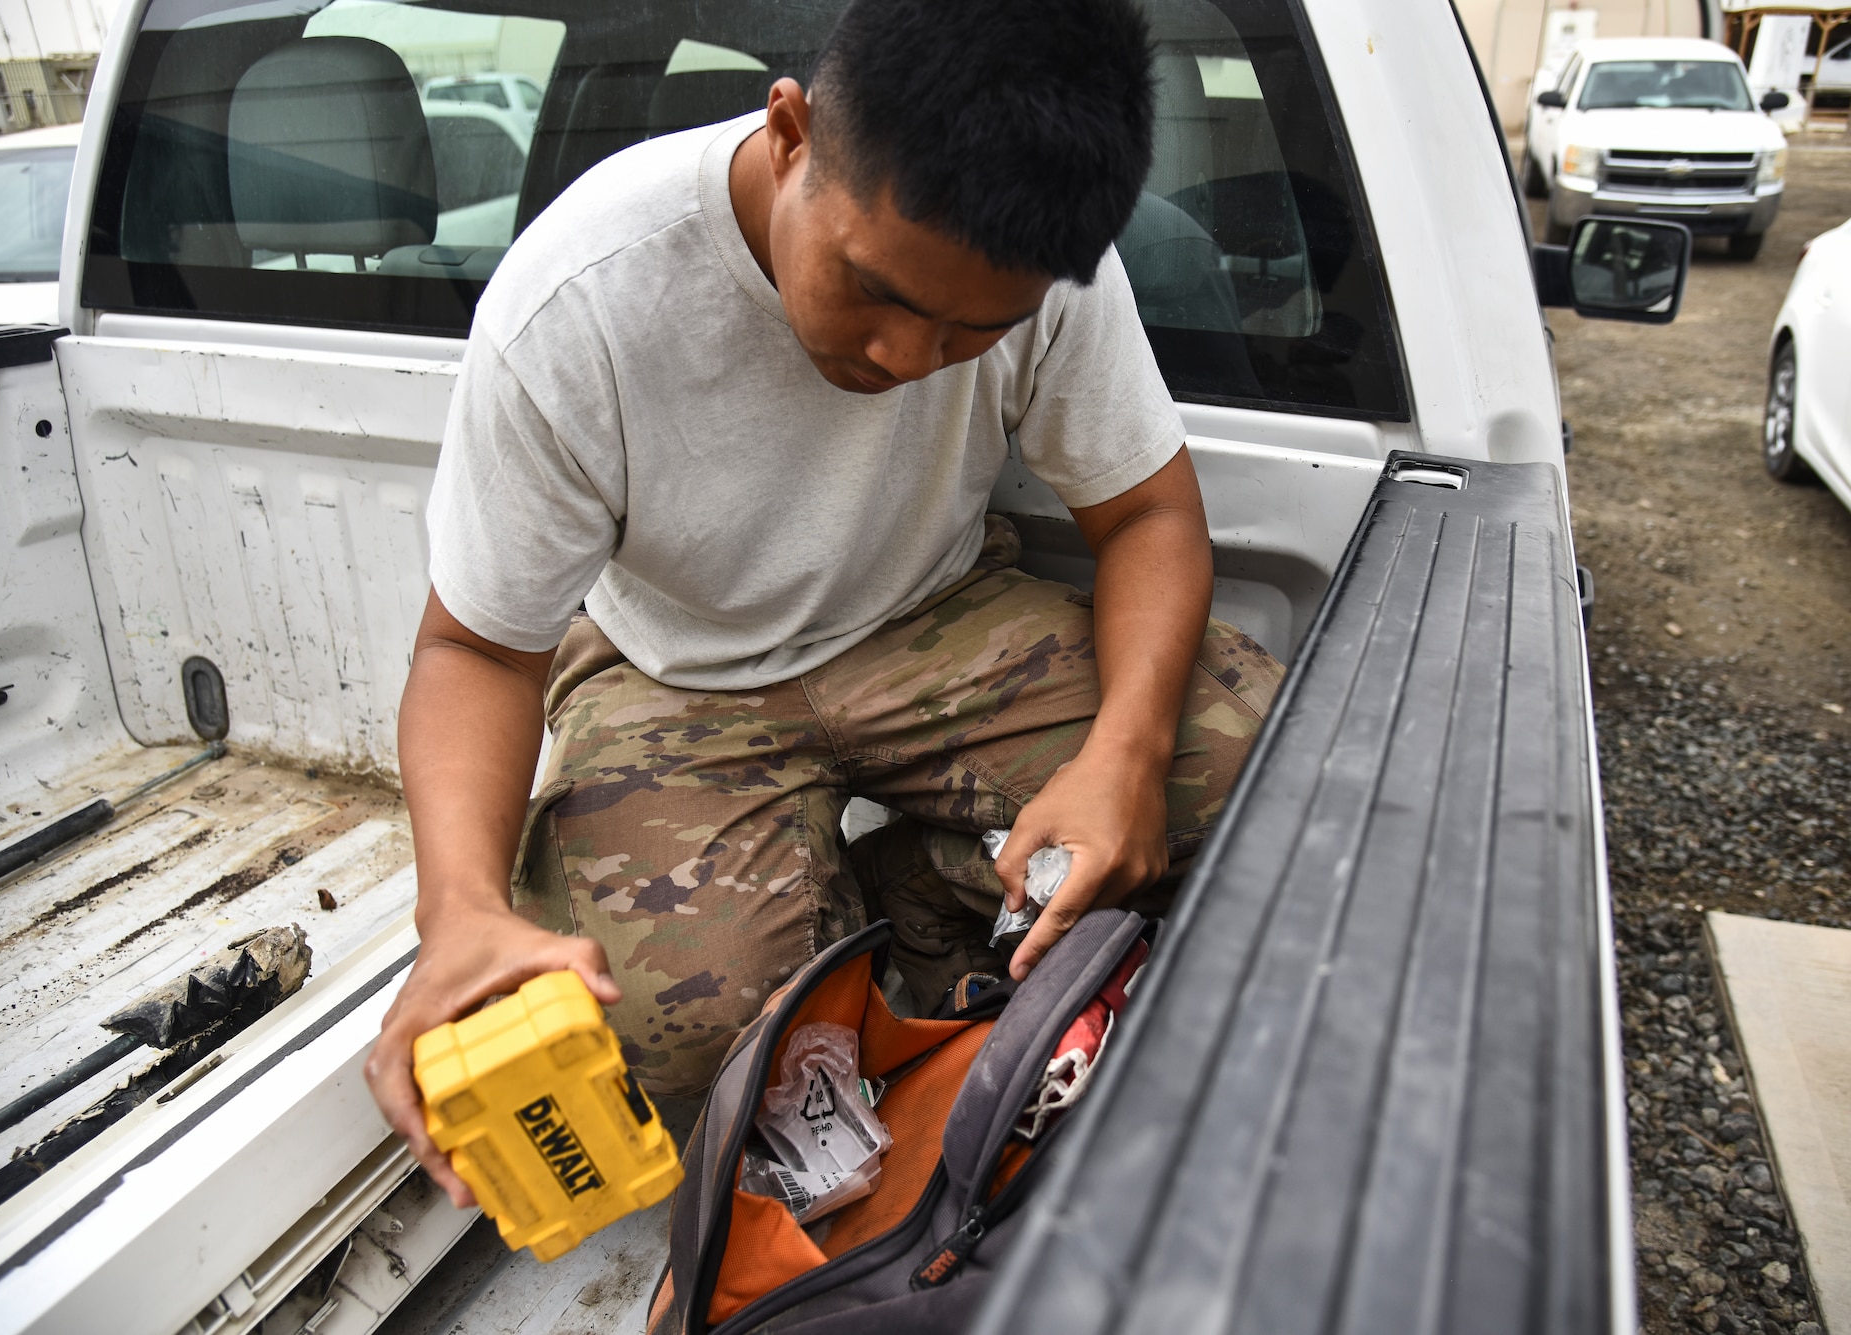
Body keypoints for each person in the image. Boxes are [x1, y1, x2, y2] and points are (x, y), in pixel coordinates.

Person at [365, 0, 1284, 1209]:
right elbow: (475, 649)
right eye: (876, 289)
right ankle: (859, 914)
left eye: (974, 329)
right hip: (676, 671)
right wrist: (462, 915)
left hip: (934, 619)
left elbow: (1147, 517)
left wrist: (1124, 754)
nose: (908, 357)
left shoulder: (1051, 263)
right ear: (789, 133)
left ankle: (917, 889)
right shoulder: (578, 299)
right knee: (663, 1025)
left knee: (1255, 772)